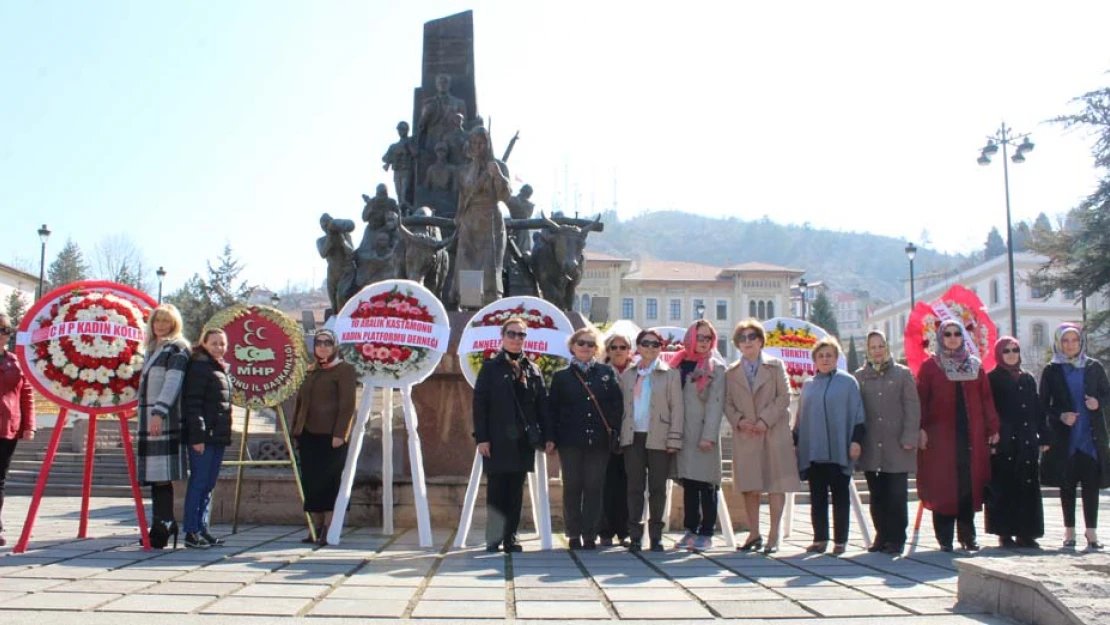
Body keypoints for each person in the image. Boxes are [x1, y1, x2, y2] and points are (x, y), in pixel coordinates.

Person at [916, 320, 1000, 552]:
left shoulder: (974, 365)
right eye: (948, 334)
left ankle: (967, 535)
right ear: (940, 338)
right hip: (940, 438)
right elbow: (921, 400)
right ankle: (944, 538)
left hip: (971, 435)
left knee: (968, 484)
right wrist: (920, 428)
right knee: (943, 484)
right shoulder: (931, 367)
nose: (952, 338)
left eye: (957, 334)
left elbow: (986, 398)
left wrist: (993, 427)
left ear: (963, 337)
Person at [473, 317, 555, 553]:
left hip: (522, 440)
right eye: (512, 334)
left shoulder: (533, 368)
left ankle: (511, 537)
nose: (516, 339)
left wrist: (548, 435)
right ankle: (493, 537)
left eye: (521, 335)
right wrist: (482, 438)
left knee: (516, 491)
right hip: (497, 439)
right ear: (503, 336)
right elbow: (480, 405)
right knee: (497, 489)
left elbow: (542, 406)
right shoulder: (490, 367)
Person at [725, 319, 798, 554]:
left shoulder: (776, 366)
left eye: (752, 337)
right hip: (746, 434)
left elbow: (784, 397)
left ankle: (774, 534)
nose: (748, 342)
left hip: (773, 431)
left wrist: (765, 420)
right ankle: (753, 533)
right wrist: (739, 420)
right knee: (749, 485)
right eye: (743, 338)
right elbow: (726, 403)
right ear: (737, 344)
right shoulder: (731, 372)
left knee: (777, 483)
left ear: (760, 341)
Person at [548, 327, 623, 550]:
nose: (585, 347)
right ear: (572, 346)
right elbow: (553, 410)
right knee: (572, 487)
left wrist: (614, 432)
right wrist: (551, 437)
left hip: (598, 441)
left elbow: (616, 406)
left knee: (594, 487)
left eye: (591, 344)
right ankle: (573, 533)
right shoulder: (562, 377)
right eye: (581, 343)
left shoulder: (606, 373)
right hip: (570, 441)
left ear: (596, 348)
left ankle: (590, 533)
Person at [1039, 323, 1110, 550]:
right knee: (1067, 486)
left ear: (1081, 342)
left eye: (1074, 340)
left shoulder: (1094, 367)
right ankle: (1069, 531)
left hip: (1090, 438)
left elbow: (1107, 397)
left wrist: (1097, 403)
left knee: (1091, 485)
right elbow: (1042, 405)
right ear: (1059, 344)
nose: (1070, 345)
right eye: (1065, 341)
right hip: (1065, 438)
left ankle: (1091, 533)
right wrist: (1060, 415)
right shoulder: (1051, 370)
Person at [795, 337, 865, 555]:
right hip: (815, 451)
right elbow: (800, 418)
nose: (825, 359)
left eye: (829, 355)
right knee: (817, 497)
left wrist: (856, 440)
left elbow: (857, 414)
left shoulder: (848, 382)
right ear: (814, 359)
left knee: (840, 496)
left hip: (839, 449)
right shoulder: (808, 385)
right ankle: (820, 538)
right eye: (821, 356)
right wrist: (795, 442)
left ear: (836, 358)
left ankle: (841, 540)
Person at [854, 330, 920, 555]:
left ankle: (896, 538)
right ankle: (881, 535)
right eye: (873, 347)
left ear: (887, 347)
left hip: (897, 443)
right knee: (877, 494)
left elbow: (912, 407)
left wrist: (910, 436)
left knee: (897, 494)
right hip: (872, 444)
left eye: (881, 346)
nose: (877, 351)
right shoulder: (860, 377)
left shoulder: (902, 374)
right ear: (867, 350)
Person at [619, 328, 683, 553]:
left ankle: (656, 536)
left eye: (655, 344)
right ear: (638, 347)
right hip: (633, 435)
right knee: (634, 487)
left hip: (659, 436)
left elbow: (677, 409)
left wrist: (674, 439)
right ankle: (635, 536)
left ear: (660, 348)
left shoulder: (671, 374)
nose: (650, 347)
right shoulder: (628, 374)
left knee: (658, 488)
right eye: (645, 343)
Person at [292, 329, 357, 545]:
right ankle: (315, 527)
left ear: (335, 345)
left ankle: (329, 529)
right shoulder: (311, 371)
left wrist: (340, 433)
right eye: (318, 342)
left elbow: (347, 404)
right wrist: (296, 431)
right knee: (311, 483)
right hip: (309, 434)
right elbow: (301, 404)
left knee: (330, 484)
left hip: (331, 436)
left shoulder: (344, 370)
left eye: (328, 342)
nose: (323, 346)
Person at [666, 320, 726, 552]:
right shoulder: (678, 362)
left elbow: (716, 404)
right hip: (683, 433)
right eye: (699, 337)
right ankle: (690, 530)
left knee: (707, 483)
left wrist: (709, 436)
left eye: (708, 338)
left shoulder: (715, 367)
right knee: (689, 483)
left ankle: (707, 532)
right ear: (690, 337)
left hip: (702, 433)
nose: (703, 342)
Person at [986, 336, 1049, 549]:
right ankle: (1004, 532)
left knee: (1027, 486)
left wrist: (1044, 435)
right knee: (1004, 485)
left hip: (1026, 440)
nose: (1011, 354)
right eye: (1007, 351)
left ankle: (1027, 532)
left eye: (1015, 350)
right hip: (1004, 441)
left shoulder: (1028, 378)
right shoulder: (992, 378)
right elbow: (989, 410)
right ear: (999, 354)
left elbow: (1038, 409)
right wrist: (992, 434)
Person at [137, 304, 191, 549]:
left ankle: (164, 524)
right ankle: (161, 523)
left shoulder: (177, 348)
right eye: (157, 320)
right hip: (149, 418)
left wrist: (159, 412)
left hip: (164, 418)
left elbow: (173, 382)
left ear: (174, 323)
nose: (160, 325)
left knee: (161, 475)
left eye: (166, 321)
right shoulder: (151, 349)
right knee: (156, 476)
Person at [181, 328, 232, 549]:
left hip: (218, 436)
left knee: (209, 485)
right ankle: (191, 531)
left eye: (222, 343)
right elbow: (193, 404)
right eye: (214, 343)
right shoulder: (200, 367)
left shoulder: (218, 368)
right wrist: (198, 436)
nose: (219, 347)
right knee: (199, 483)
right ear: (204, 343)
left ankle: (202, 528)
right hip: (204, 437)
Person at [451, 127, 511, 307]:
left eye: (482, 143)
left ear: (488, 144)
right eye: (475, 143)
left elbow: (506, 196)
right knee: (467, 262)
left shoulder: (498, 165)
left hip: (490, 219)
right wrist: (458, 217)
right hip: (469, 221)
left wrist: (498, 175)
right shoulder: (464, 171)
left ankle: (491, 308)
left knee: (489, 265)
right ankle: (470, 306)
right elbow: (462, 198)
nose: (478, 147)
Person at [0, 313, 34, 547]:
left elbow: (27, 394)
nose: (2, 335)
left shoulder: (15, 362)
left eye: (5, 331)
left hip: (6, 427)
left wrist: (29, 426)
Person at [598, 332, 634, 547]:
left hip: (631, 436)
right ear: (608, 351)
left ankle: (625, 530)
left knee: (628, 485)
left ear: (629, 350)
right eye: (614, 347)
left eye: (623, 347)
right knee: (606, 484)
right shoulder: (600, 372)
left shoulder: (638, 372)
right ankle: (605, 530)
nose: (618, 351)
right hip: (606, 435)